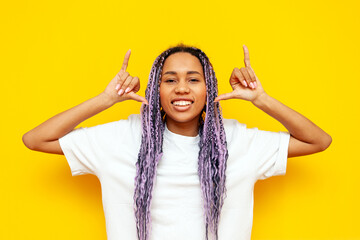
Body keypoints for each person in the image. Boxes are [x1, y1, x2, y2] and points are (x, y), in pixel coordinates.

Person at [22, 44, 332, 240]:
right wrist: (104, 100)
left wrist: (262, 100)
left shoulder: (237, 140)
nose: (181, 88)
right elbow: (35, 139)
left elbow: (318, 140)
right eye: (170, 80)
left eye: (193, 79)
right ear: (156, 90)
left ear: (209, 88)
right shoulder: (121, 138)